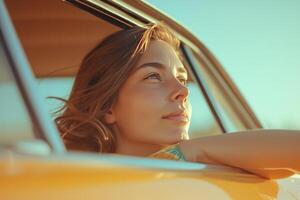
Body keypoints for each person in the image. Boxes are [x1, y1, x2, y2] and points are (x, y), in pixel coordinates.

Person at [54, 23, 300, 179]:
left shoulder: (195, 162)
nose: (182, 90)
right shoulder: (86, 181)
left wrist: (187, 152)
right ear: (108, 106)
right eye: (153, 76)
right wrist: (185, 152)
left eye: (182, 77)